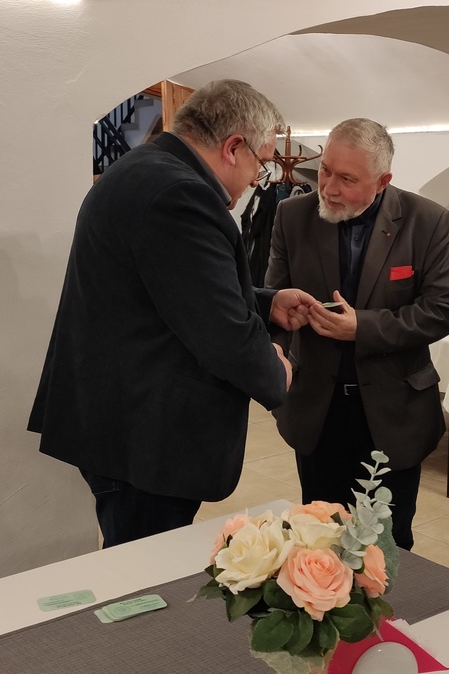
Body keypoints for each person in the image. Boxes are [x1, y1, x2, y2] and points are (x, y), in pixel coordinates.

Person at [28, 79, 317, 548]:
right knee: (143, 574)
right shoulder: (180, 194)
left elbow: (173, 289)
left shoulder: (142, 168)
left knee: (135, 561)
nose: (255, 180)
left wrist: (266, 303)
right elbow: (222, 334)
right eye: (261, 164)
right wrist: (275, 370)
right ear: (233, 147)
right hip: (144, 436)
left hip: (123, 420)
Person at [265, 118, 449, 550]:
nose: (329, 187)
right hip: (318, 412)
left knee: (386, 549)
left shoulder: (425, 220)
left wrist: (364, 328)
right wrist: (276, 345)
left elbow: (444, 308)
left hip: (394, 413)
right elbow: (272, 303)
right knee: (319, 542)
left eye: (347, 179)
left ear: (383, 181)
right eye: (325, 170)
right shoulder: (292, 216)